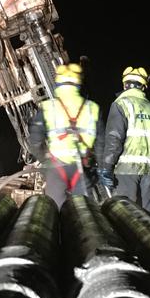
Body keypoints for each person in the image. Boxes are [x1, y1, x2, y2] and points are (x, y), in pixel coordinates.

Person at [28, 63, 105, 208]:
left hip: (57, 169)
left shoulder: (48, 107)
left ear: (58, 83)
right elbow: (101, 143)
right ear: (78, 84)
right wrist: (101, 167)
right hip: (81, 168)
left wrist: (44, 158)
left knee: (55, 213)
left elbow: (35, 140)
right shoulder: (93, 108)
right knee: (85, 216)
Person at [98, 66, 150, 214]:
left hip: (127, 169)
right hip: (148, 168)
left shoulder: (121, 104)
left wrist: (107, 166)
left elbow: (114, 138)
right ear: (144, 86)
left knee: (125, 215)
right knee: (148, 214)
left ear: (125, 84)